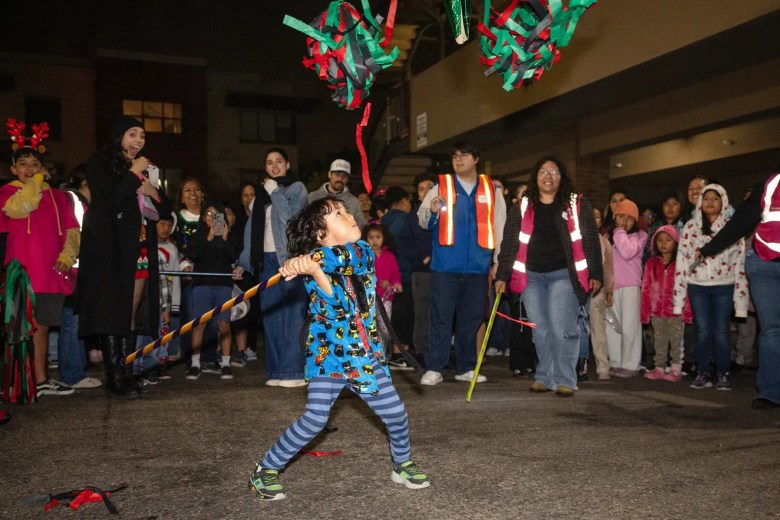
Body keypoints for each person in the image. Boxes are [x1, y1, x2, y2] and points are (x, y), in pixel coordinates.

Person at [247, 198, 429, 501]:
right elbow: (338, 309)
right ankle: (265, 469)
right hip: (327, 356)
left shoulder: (362, 253)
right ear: (320, 232)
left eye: (346, 211)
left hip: (364, 355)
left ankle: (402, 463)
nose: (350, 216)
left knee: (396, 414)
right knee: (315, 418)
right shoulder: (315, 269)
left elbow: (342, 259)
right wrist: (313, 270)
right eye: (339, 215)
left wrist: (312, 261)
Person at [78, 116, 169, 400]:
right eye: (132, 134)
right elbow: (112, 197)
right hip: (108, 249)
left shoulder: (142, 168)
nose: (138, 140)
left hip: (136, 247)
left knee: (127, 312)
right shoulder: (99, 162)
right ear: (119, 137)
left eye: (142, 135)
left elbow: (163, 207)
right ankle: (114, 377)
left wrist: (149, 187)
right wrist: (134, 173)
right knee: (111, 311)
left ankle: (125, 372)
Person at [495, 156, 602, 397]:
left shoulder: (577, 204)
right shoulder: (521, 206)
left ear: (562, 178)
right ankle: (544, 376)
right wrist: (502, 275)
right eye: (543, 171)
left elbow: (591, 241)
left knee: (561, 327)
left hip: (564, 275)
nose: (548, 176)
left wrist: (596, 273)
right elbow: (510, 243)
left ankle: (565, 378)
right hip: (530, 276)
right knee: (540, 330)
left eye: (554, 172)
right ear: (535, 177)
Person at [0, 119, 80, 398]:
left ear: (43, 167)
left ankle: (41, 380)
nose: (29, 168)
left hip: (50, 271)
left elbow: (72, 229)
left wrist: (67, 255)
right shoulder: (8, 193)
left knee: (42, 327)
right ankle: (14, 382)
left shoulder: (59, 196)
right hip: (20, 271)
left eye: (35, 164)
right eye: (23, 164)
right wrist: (35, 183)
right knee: (17, 330)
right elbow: (19, 209)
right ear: (13, 169)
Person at [417, 141, 506, 385]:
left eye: (464, 154)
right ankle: (435, 367)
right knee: (441, 317)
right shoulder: (441, 187)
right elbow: (422, 221)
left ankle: (466, 367)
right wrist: (433, 210)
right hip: (445, 266)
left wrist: (498, 262)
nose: (459, 159)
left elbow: (500, 228)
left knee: (472, 318)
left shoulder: (491, 190)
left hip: (478, 267)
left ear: (476, 159)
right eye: (455, 155)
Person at [698, 172, 780, 409]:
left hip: (762, 262)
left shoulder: (769, 182)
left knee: (773, 330)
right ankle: (770, 392)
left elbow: (742, 219)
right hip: (763, 265)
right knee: (773, 330)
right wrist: (710, 248)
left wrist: (710, 247)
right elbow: (743, 219)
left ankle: (770, 392)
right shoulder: (770, 183)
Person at [235, 147, 307, 387]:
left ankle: (293, 372)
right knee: (271, 317)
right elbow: (251, 232)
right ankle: (277, 372)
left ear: (287, 164)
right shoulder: (261, 195)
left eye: (279, 161)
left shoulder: (296, 188)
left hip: (288, 259)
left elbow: (292, 220)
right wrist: (244, 263)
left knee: (292, 316)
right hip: (265, 261)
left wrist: (275, 191)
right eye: (269, 162)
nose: (274, 166)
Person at [674, 184, 747, 391]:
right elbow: (681, 261)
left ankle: (723, 372)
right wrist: (678, 299)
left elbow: (740, 263)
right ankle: (703, 371)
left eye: (716, 198)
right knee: (703, 330)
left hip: (725, 285)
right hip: (697, 286)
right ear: (699, 203)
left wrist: (741, 303)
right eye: (706, 198)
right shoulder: (690, 227)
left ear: (723, 201)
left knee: (722, 330)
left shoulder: (733, 227)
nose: (710, 202)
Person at [185, 200, 241, 381]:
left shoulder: (228, 234)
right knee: (198, 324)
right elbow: (193, 255)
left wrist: (224, 238)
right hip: (201, 284)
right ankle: (195, 364)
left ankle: (225, 363)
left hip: (223, 284)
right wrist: (209, 237)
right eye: (208, 214)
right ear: (202, 217)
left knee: (224, 324)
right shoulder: (197, 235)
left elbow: (233, 255)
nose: (211, 217)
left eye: (215, 214)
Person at [57, 164, 102, 389]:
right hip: (73, 272)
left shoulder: (80, 202)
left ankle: (76, 370)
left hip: (76, 271)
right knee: (71, 322)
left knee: (75, 322)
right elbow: (77, 238)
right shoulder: (74, 202)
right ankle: (72, 375)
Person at [641, 225, 692, 382]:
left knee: (676, 342)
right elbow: (646, 288)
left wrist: (688, 312)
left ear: (676, 242)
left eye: (668, 240)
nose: (663, 244)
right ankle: (659, 368)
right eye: (660, 241)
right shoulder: (651, 263)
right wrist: (645, 312)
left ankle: (676, 368)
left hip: (676, 311)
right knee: (660, 341)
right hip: (657, 312)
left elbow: (687, 288)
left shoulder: (682, 264)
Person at [606, 199, 647, 377]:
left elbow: (628, 252)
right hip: (613, 287)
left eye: (629, 218)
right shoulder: (610, 237)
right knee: (613, 326)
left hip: (630, 287)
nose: (624, 221)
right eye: (620, 216)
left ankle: (631, 365)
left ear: (635, 221)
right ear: (614, 217)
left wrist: (619, 232)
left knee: (630, 326)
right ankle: (615, 361)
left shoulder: (640, 236)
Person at [364, 222, 407, 367]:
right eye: (371, 238)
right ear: (366, 239)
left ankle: (380, 356)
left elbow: (396, 274)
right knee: (369, 327)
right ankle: (369, 357)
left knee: (384, 329)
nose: (375, 241)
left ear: (384, 238)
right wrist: (377, 283)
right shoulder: (365, 257)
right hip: (369, 299)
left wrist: (397, 283)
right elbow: (363, 277)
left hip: (386, 299)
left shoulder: (390, 256)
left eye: (378, 237)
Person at [381, 186, 415, 367]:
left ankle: (390, 352)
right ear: (403, 200)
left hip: (385, 276)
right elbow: (407, 247)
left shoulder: (383, 221)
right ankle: (401, 353)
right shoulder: (405, 220)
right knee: (404, 315)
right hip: (404, 274)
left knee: (389, 314)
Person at [409, 173, 435, 365]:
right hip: (422, 270)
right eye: (421, 189)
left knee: (440, 312)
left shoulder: (443, 213)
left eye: (429, 187)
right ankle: (421, 350)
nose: (425, 191)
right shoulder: (413, 215)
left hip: (443, 269)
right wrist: (422, 257)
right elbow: (407, 243)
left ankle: (438, 350)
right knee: (422, 312)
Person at [588, 206, 613, 380]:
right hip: (578, 290)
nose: (593, 219)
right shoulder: (576, 239)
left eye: (597, 216)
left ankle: (603, 367)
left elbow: (608, 269)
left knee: (599, 330)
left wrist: (609, 289)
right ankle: (577, 364)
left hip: (598, 292)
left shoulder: (604, 242)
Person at [307, 158, 365, 229]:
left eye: (344, 176)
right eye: (337, 175)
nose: (340, 179)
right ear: (329, 174)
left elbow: (359, 228)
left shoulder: (354, 202)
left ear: (347, 179)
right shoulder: (312, 197)